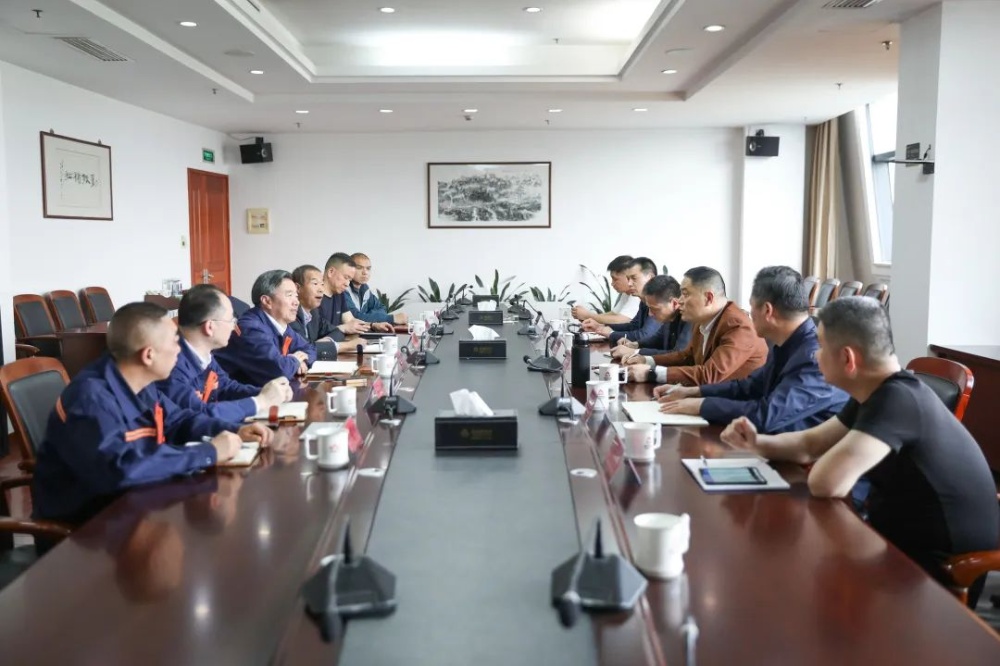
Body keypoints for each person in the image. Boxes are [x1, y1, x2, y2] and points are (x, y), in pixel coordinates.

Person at [721, 297, 999, 602]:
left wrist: (815, 458)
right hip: (894, 544)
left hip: (937, 572)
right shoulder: (876, 392)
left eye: (820, 347)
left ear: (848, 359)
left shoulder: (898, 400)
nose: (814, 355)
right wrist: (756, 443)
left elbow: (827, 482)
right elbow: (809, 445)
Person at [32, 302, 271, 525]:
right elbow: (121, 468)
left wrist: (234, 429)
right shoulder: (90, 399)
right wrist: (209, 452)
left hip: (137, 503)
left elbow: (178, 420)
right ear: (148, 355)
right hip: (86, 528)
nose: (179, 350)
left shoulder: (140, 381)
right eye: (174, 342)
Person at [658, 266, 848, 433]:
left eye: (751, 307)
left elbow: (766, 415)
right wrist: (695, 392)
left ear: (767, 310)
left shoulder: (813, 357)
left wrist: (701, 405)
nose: (747, 314)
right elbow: (748, 387)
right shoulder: (788, 343)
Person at [158, 284, 293, 423]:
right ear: (210, 327)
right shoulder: (170, 366)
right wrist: (260, 401)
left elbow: (226, 388)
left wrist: (268, 393)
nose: (234, 327)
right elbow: (198, 415)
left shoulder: (204, 355)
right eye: (231, 321)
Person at [626, 266, 767, 384]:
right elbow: (687, 357)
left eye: (685, 294)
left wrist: (652, 374)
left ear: (708, 298)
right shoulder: (702, 320)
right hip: (712, 395)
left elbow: (709, 375)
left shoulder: (738, 327)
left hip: (739, 404)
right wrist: (647, 360)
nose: (679, 301)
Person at [215, 270, 317, 386]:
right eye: (289, 295)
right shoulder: (250, 328)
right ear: (267, 301)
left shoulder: (281, 325)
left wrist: (303, 361)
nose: (296, 302)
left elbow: (309, 348)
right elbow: (278, 370)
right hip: (227, 394)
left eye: (296, 296)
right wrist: (295, 361)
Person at [610, 274, 692, 361]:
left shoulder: (690, 318)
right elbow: (658, 339)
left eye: (654, 309)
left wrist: (635, 352)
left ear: (674, 304)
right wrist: (636, 344)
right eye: (649, 308)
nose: (650, 314)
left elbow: (678, 355)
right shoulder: (670, 315)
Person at [581, 257, 660, 344]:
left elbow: (644, 335)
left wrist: (611, 334)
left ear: (650, 277)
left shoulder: (659, 300)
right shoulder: (644, 301)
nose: (629, 283)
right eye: (628, 279)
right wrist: (600, 327)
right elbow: (633, 326)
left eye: (634, 278)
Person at [290, 264, 357, 356]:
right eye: (315, 284)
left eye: (322, 284)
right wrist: (346, 346)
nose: (321, 289)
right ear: (297, 288)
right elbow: (304, 349)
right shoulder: (290, 314)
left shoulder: (314, 313)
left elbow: (337, 332)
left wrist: (325, 342)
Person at [318, 253, 392, 335]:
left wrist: (373, 325)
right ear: (331, 272)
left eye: (349, 280)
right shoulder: (314, 297)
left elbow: (351, 321)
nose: (347, 284)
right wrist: (344, 329)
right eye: (346, 277)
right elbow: (316, 333)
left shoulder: (339, 294)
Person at [570, 255, 640, 324]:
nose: (612, 283)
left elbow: (622, 320)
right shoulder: (626, 293)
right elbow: (613, 314)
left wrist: (587, 315)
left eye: (615, 279)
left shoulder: (638, 293)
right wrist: (588, 317)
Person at [347, 252, 407, 325]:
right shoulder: (343, 290)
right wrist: (392, 318)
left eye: (368, 268)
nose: (365, 272)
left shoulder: (364, 289)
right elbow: (353, 318)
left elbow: (382, 308)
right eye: (359, 268)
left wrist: (368, 316)